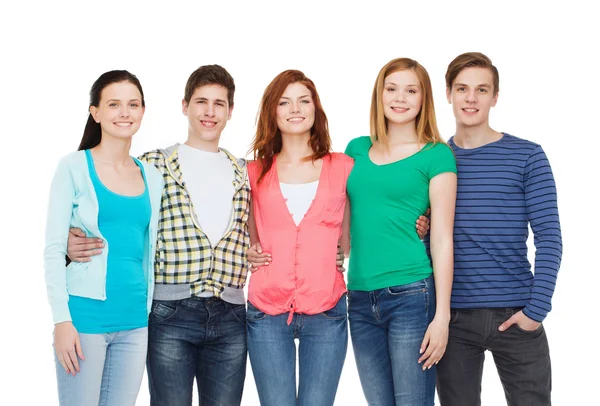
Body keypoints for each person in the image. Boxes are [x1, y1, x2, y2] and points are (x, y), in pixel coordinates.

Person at [67, 65, 250, 406]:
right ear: (185, 106)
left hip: (231, 315)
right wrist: (69, 239)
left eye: (219, 104)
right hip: (170, 313)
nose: (209, 112)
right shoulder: (153, 165)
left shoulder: (245, 171)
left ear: (230, 111)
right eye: (201, 102)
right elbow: (115, 212)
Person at [435, 52, 562, 406]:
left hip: (516, 314)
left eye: (481, 89)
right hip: (453, 319)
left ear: (495, 96)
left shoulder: (527, 156)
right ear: (448, 93)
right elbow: (432, 235)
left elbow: (549, 237)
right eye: (462, 88)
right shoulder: (434, 160)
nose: (471, 98)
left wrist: (536, 310)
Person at [44, 70, 164, 405]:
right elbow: (54, 249)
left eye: (133, 104)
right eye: (113, 104)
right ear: (95, 112)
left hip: (135, 322)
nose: (124, 112)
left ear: (142, 111)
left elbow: (146, 247)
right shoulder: (73, 167)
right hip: (85, 319)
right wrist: (61, 322)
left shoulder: (152, 177)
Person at [344, 57, 457, 405]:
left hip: (411, 294)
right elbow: (340, 227)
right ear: (379, 95)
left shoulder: (437, 155)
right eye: (391, 89)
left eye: (411, 90)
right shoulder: (356, 149)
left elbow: (440, 238)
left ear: (424, 99)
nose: (400, 98)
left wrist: (442, 317)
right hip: (360, 298)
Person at [245, 70, 353, 406]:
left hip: (327, 310)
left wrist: (423, 220)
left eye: (304, 101)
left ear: (315, 109)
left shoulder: (344, 166)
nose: (295, 108)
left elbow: (371, 215)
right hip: (266, 311)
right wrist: (248, 249)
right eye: (285, 102)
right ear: (272, 112)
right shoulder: (252, 171)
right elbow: (242, 229)